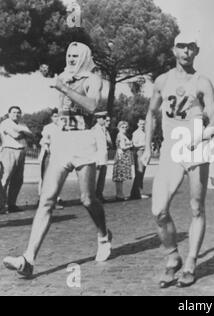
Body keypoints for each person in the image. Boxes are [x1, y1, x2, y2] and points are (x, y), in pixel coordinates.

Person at [3, 42, 112, 278]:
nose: (71, 59)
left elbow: (93, 106)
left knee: (87, 199)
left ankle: (103, 235)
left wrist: (64, 88)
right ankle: (28, 258)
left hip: (84, 141)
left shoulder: (94, 79)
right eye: (68, 55)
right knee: (46, 200)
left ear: (84, 57)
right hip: (63, 143)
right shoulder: (63, 75)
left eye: (76, 56)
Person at [141, 32, 214, 288]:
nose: (186, 52)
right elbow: (151, 114)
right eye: (181, 47)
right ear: (173, 50)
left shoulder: (202, 82)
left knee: (196, 208)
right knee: (158, 211)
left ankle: (190, 262)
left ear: (197, 51)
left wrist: (200, 138)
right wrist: (147, 147)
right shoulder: (162, 81)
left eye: (191, 48)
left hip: (196, 148)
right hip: (170, 149)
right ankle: (172, 255)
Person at [0, 106, 33, 213]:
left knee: (18, 180)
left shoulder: (22, 124)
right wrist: (24, 133)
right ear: (9, 113)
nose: (16, 114)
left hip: (21, 151)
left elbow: (31, 135)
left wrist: (22, 132)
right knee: (5, 178)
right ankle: (1, 205)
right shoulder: (6, 123)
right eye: (14, 112)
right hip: (9, 150)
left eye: (18, 112)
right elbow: (15, 135)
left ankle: (11, 204)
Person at [38, 108, 64, 209]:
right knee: (46, 178)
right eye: (55, 116)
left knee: (57, 178)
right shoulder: (48, 127)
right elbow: (44, 140)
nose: (57, 118)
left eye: (60, 117)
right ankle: (45, 200)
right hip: (49, 155)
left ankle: (55, 198)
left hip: (59, 155)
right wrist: (47, 147)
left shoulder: (63, 127)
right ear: (51, 118)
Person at [92, 112, 112, 202]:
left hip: (104, 157)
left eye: (105, 118)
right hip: (98, 158)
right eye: (103, 118)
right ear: (98, 119)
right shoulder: (94, 129)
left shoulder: (104, 130)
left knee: (102, 179)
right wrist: (95, 159)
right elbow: (93, 145)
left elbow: (108, 143)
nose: (104, 120)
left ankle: (100, 195)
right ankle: (94, 197)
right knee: (96, 179)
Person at [113, 121, 133, 201]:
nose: (124, 128)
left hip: (121, 156)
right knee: (120, 177)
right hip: (121, 156)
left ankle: (120, 194)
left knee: (120, 177)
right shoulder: (121, 135)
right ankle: (119, 194)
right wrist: (131, 145)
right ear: (119, 128)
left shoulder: (122, 135)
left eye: (125, 127)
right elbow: (123, 147)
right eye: (122, 127)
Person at [130, 118, 149, 200]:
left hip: (144, 152)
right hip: (139, 152)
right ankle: (139, 192)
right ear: (138, 124)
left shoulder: (144, 132)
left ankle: (134, 192)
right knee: (139, 172)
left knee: (141, 173)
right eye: (141, 124)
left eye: (144, 124)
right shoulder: (136, 133)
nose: (142, 125)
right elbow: (134, 144)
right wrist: (144, 145)